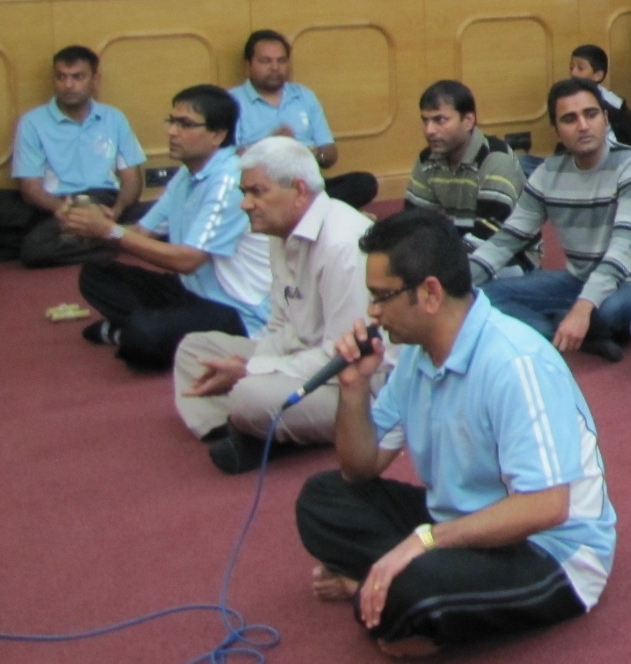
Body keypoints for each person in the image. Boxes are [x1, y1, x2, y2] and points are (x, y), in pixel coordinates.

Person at [294, 209, 615, 657]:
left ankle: (376, 586)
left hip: (549, 549)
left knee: (409, 599)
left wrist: (423, 541)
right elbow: (358, 468)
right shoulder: (415, 355)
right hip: (460, 523)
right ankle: (392, 583)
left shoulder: (515, 363)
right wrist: (354, 388)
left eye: (381, 296)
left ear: (429, 293)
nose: (372, 312)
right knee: (321, 499)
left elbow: (545, 506)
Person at [171, 137, 372, 473]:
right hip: (301, 359)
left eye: (257, 192)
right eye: (244, 192)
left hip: (357, 383)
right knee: (194, 349)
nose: (245, 205)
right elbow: (279, 327)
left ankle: (257, 426)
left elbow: (344, 358)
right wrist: (254, 361)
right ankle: (247, 430)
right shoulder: (280, 232)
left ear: (299, 190)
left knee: (249, 393)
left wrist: (251, 370)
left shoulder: (343, 244)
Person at [67, 85, 272, 372]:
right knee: (96, 273)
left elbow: (187, 260)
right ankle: (160, 326)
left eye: (185, 124)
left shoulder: (231, 183)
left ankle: (134, 331)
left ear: (218, 134)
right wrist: (93, 224)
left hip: (235, 308)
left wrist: (108, 231)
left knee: (144, 333)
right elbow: (140, 234)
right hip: (190, 291)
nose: (172, 132)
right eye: (172, 121)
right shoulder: (186, 176)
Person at [469, 80, 631, 361]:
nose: (583, 126)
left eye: (591, 114)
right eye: (570, 119)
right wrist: (456, 288)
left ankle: (575, 326)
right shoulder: (548, 173)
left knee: (606, 311)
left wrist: (583, 308)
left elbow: (625, 248)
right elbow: (506, 240)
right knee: (483, 296)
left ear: (605, 119)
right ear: (557, 132)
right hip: (579, 281)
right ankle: (568, 334)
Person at [2, 45, 143, 269]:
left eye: (78, 77)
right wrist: (66, 211)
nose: (68, 85)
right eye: (61, 77)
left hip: (103, 199)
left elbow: (132, 179)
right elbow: (30, 188)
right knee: (32, 248)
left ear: (95, 78)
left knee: (171, 213)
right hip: (58, 204)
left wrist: (115, 212)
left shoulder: (114, 118)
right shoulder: (33, 122)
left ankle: (111, 233)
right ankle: (124, 239)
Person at [233, 30, 378, 210]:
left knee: (365, 183)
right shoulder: (231, 102)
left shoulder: (304, 96)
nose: (275, 67)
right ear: (248, 65)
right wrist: (270, 146)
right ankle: (321, 211)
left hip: (307, 183)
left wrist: (311, 153)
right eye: (265, 61)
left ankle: (309, 208)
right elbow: (229, 159)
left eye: (281, 60)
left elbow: (329, 155)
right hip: (262, 187)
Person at [403, 79, 534, 270]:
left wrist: (436, 264)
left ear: (468, 121)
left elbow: (490, 233)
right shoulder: (427, 159)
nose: (429, 130)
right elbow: (415, 221)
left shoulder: (496, 159)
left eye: (440, 120)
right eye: (425, 121)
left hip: (512, 257)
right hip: (456, 248)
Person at [568, 45, 631, 152]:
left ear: (598, 75)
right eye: (571, 68)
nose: (573, 73)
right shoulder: (570, 97)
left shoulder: (612, 104)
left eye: (580, 68)